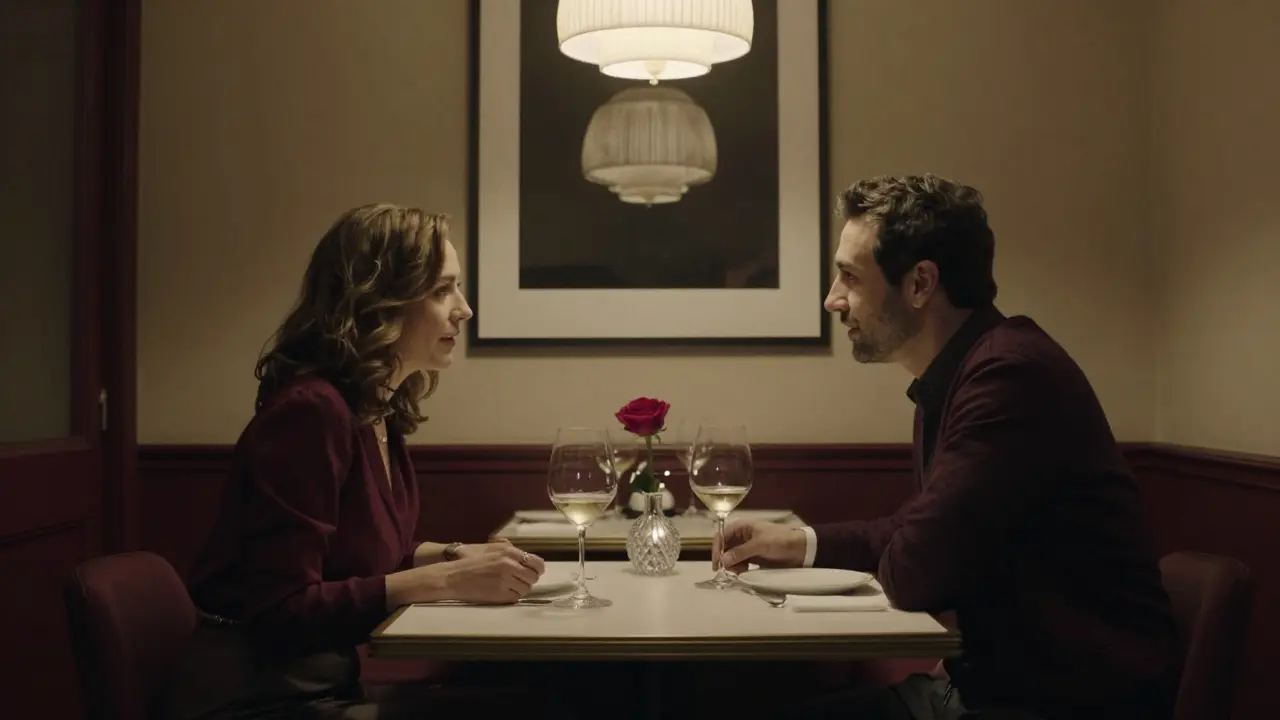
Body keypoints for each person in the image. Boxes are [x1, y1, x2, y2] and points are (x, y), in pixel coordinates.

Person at [715, 175, 1180, 720]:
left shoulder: (1008, 377)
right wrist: (799, 543)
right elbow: (918, 531)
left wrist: (908, 547)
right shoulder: (970, 371)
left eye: (848, 276)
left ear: (920, 284)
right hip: (995, 689)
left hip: (1061, 703)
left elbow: (916, 568)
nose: (832, 299)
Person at [161, 204, 551, 719]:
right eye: (441, 290)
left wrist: (460, 555)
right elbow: (283, 610)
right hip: (257, 699)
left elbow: (358, 559)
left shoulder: (373, 409)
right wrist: (449, 582)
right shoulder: (309, 414)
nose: (464, 309)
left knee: (530, 699)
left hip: (318, 686)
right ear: (378, 304)